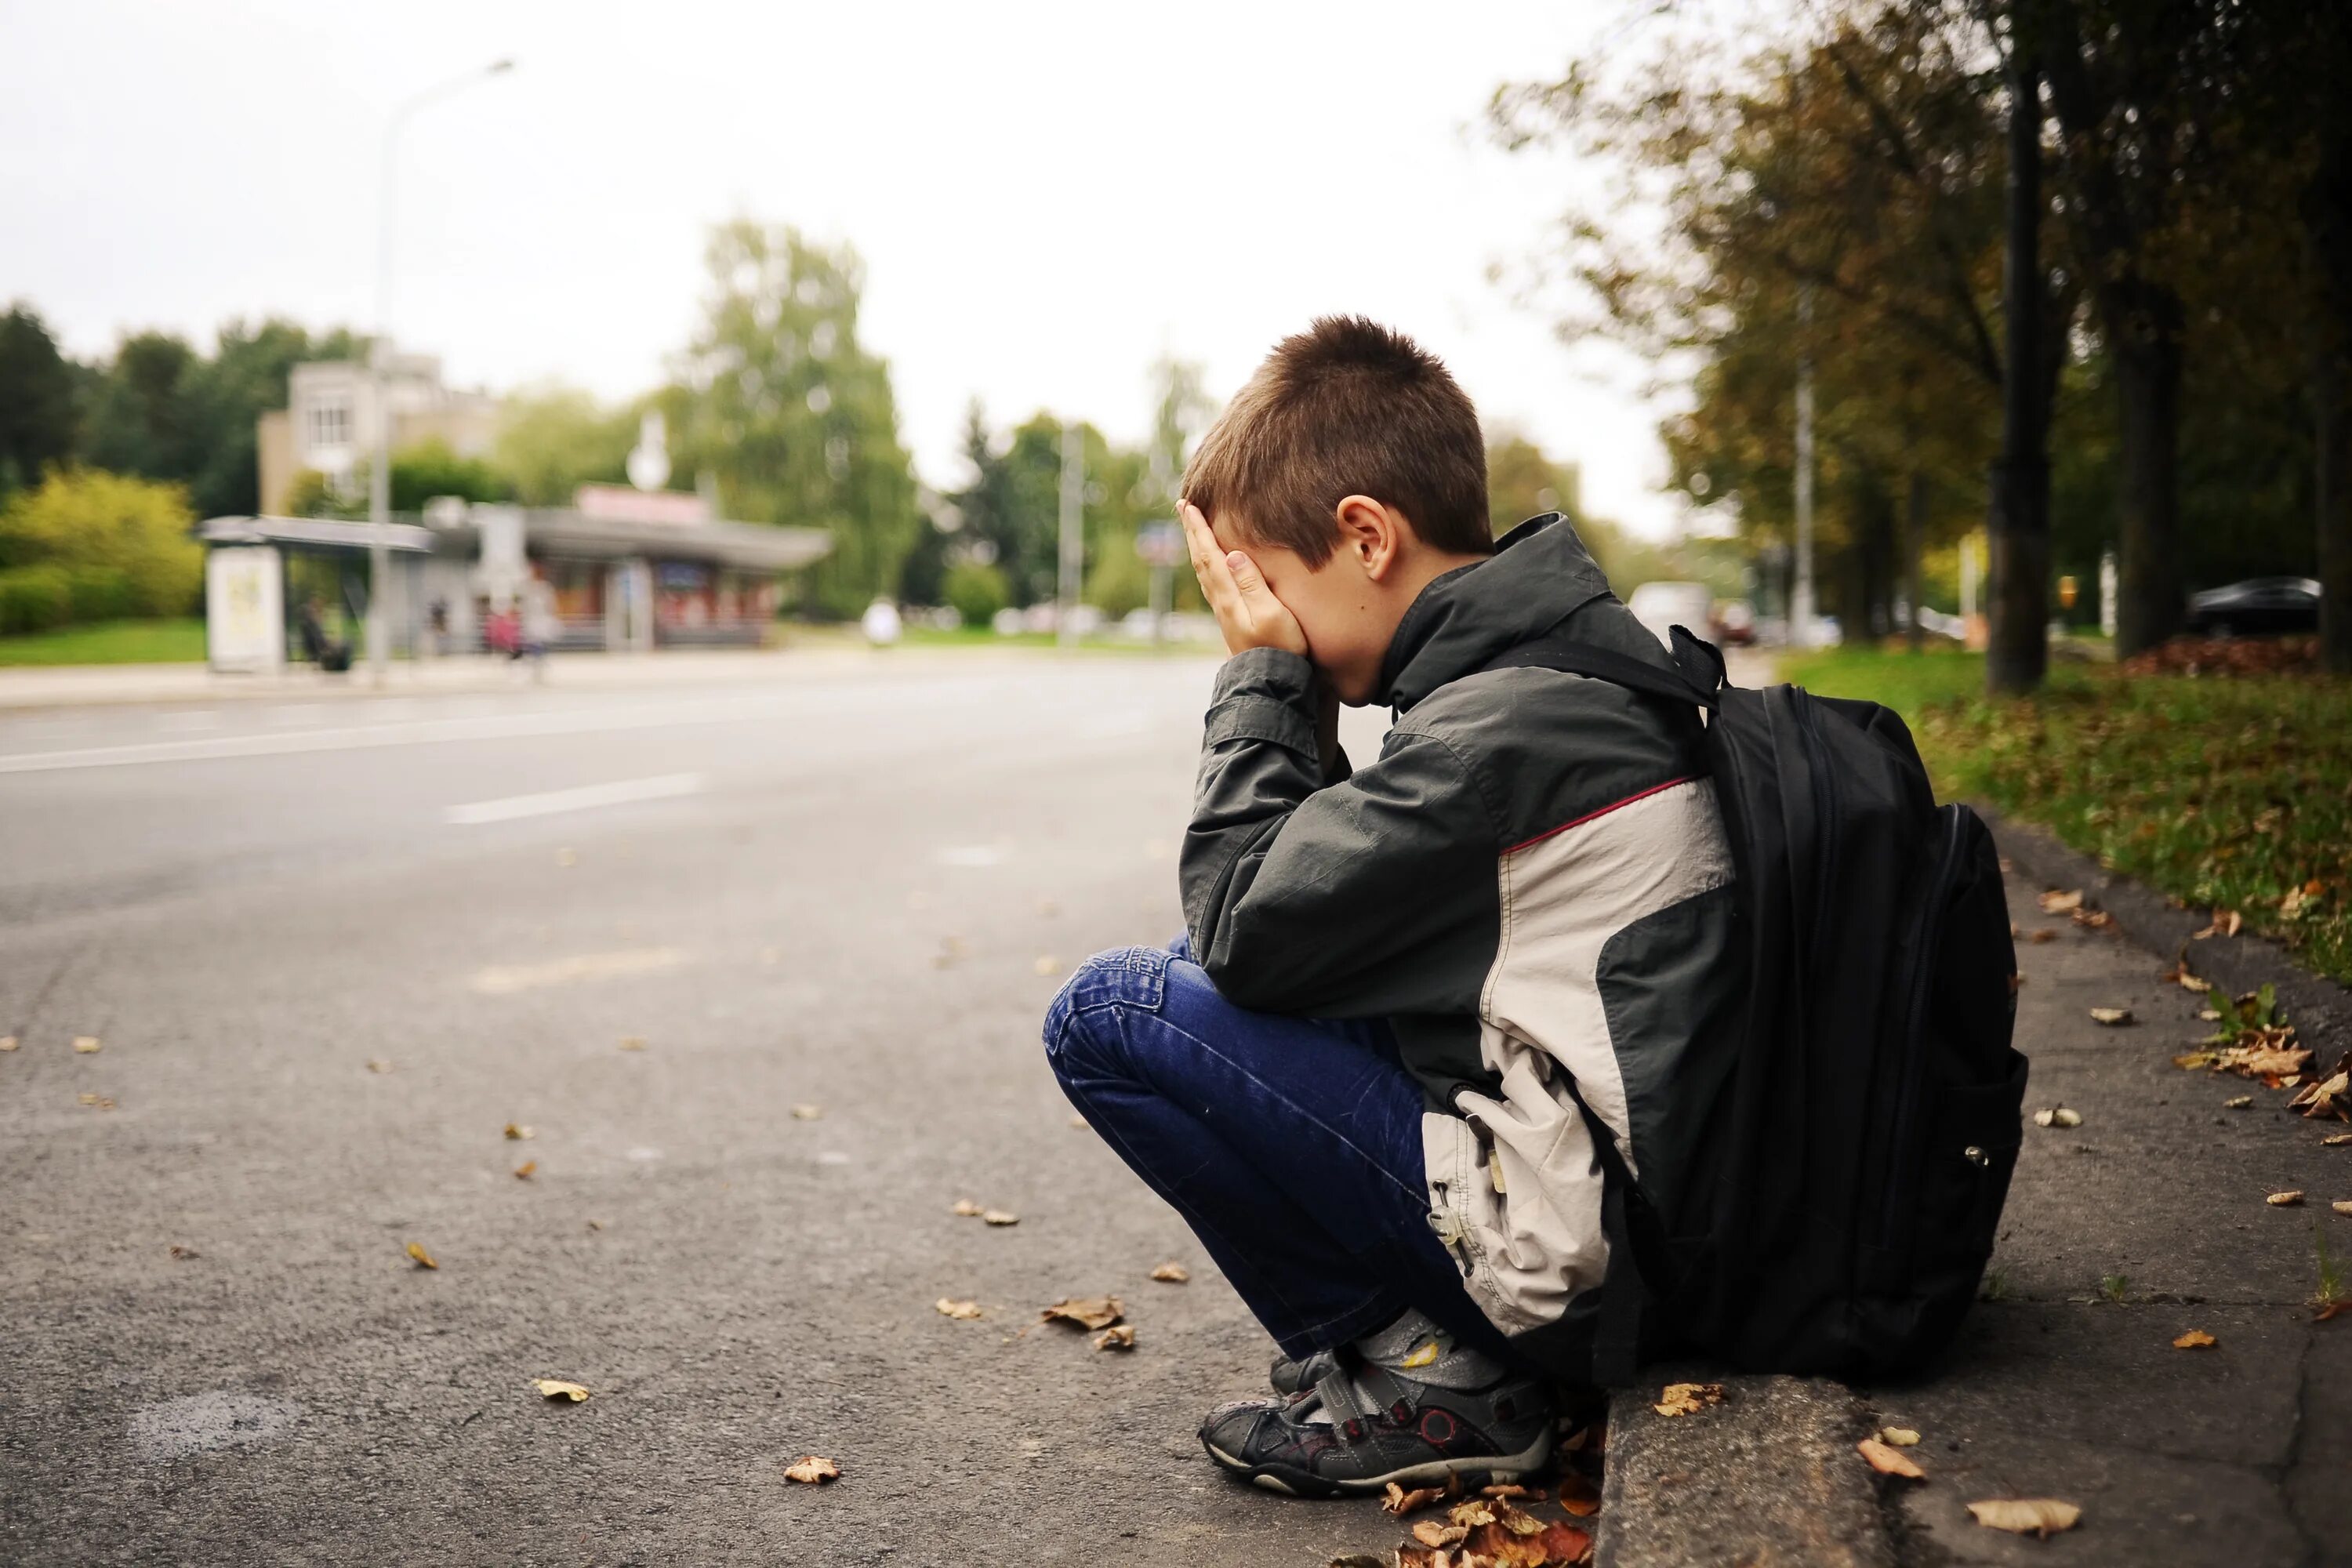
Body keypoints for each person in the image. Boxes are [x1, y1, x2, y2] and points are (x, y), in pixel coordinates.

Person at [1041, 318, 1740, 1497]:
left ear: (1364, 536)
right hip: (1649, 1218)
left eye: (1269, 582)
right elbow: (1312, 935)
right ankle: (1433, 1355)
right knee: (1186, 985)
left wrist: (1263, 682)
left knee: (1111, 1013)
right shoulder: (1572, 673)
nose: (1259, 617)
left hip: (1585, 1271)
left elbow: (1246, 926)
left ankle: (1444, 1383)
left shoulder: (1494, 738)